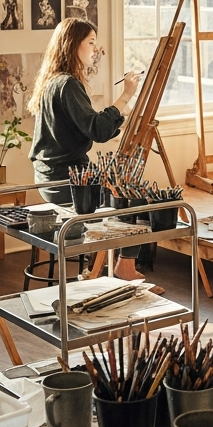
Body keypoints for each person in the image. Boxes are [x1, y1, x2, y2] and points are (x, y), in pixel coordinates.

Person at [28, 18, 144, 279]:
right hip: (65, 180)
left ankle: (99, 269)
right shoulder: (67, 84)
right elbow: (96, 130)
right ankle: (121, 269)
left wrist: (117, 124)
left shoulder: (53, 81)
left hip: (50, 175)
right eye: (90, 42)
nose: (95, 49)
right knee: (131, 197)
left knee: (121, 189)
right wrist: (126, 95)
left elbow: (84, 127)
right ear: (72, 46)